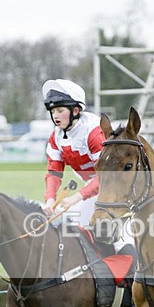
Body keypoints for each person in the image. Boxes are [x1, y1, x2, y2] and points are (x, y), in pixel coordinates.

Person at [41, 79, 104, 226]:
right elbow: (54, 172)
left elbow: (106, 176)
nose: (55, 116)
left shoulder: (94, 133)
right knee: (69, 224)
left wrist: (76, 197)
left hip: (117, 184)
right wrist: (50, 199)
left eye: (60, 111)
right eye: (52, 111)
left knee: (80, 224)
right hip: (94, 186)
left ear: (75, 111)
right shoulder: (55, 136)